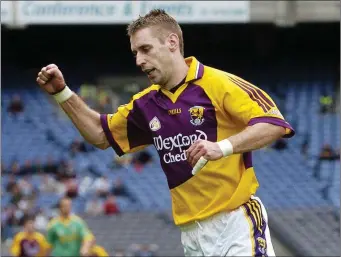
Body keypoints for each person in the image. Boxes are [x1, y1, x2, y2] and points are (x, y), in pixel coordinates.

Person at [36, 9, 295, 257]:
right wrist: (62, 93)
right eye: (135, 53)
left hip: (236, 222)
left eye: (145, 49)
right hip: (191, 235)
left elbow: (274, 123)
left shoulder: (218, 84)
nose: (139, 60)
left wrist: (222, 147)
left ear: (172, 42)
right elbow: (101, 135)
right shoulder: (145, 104)